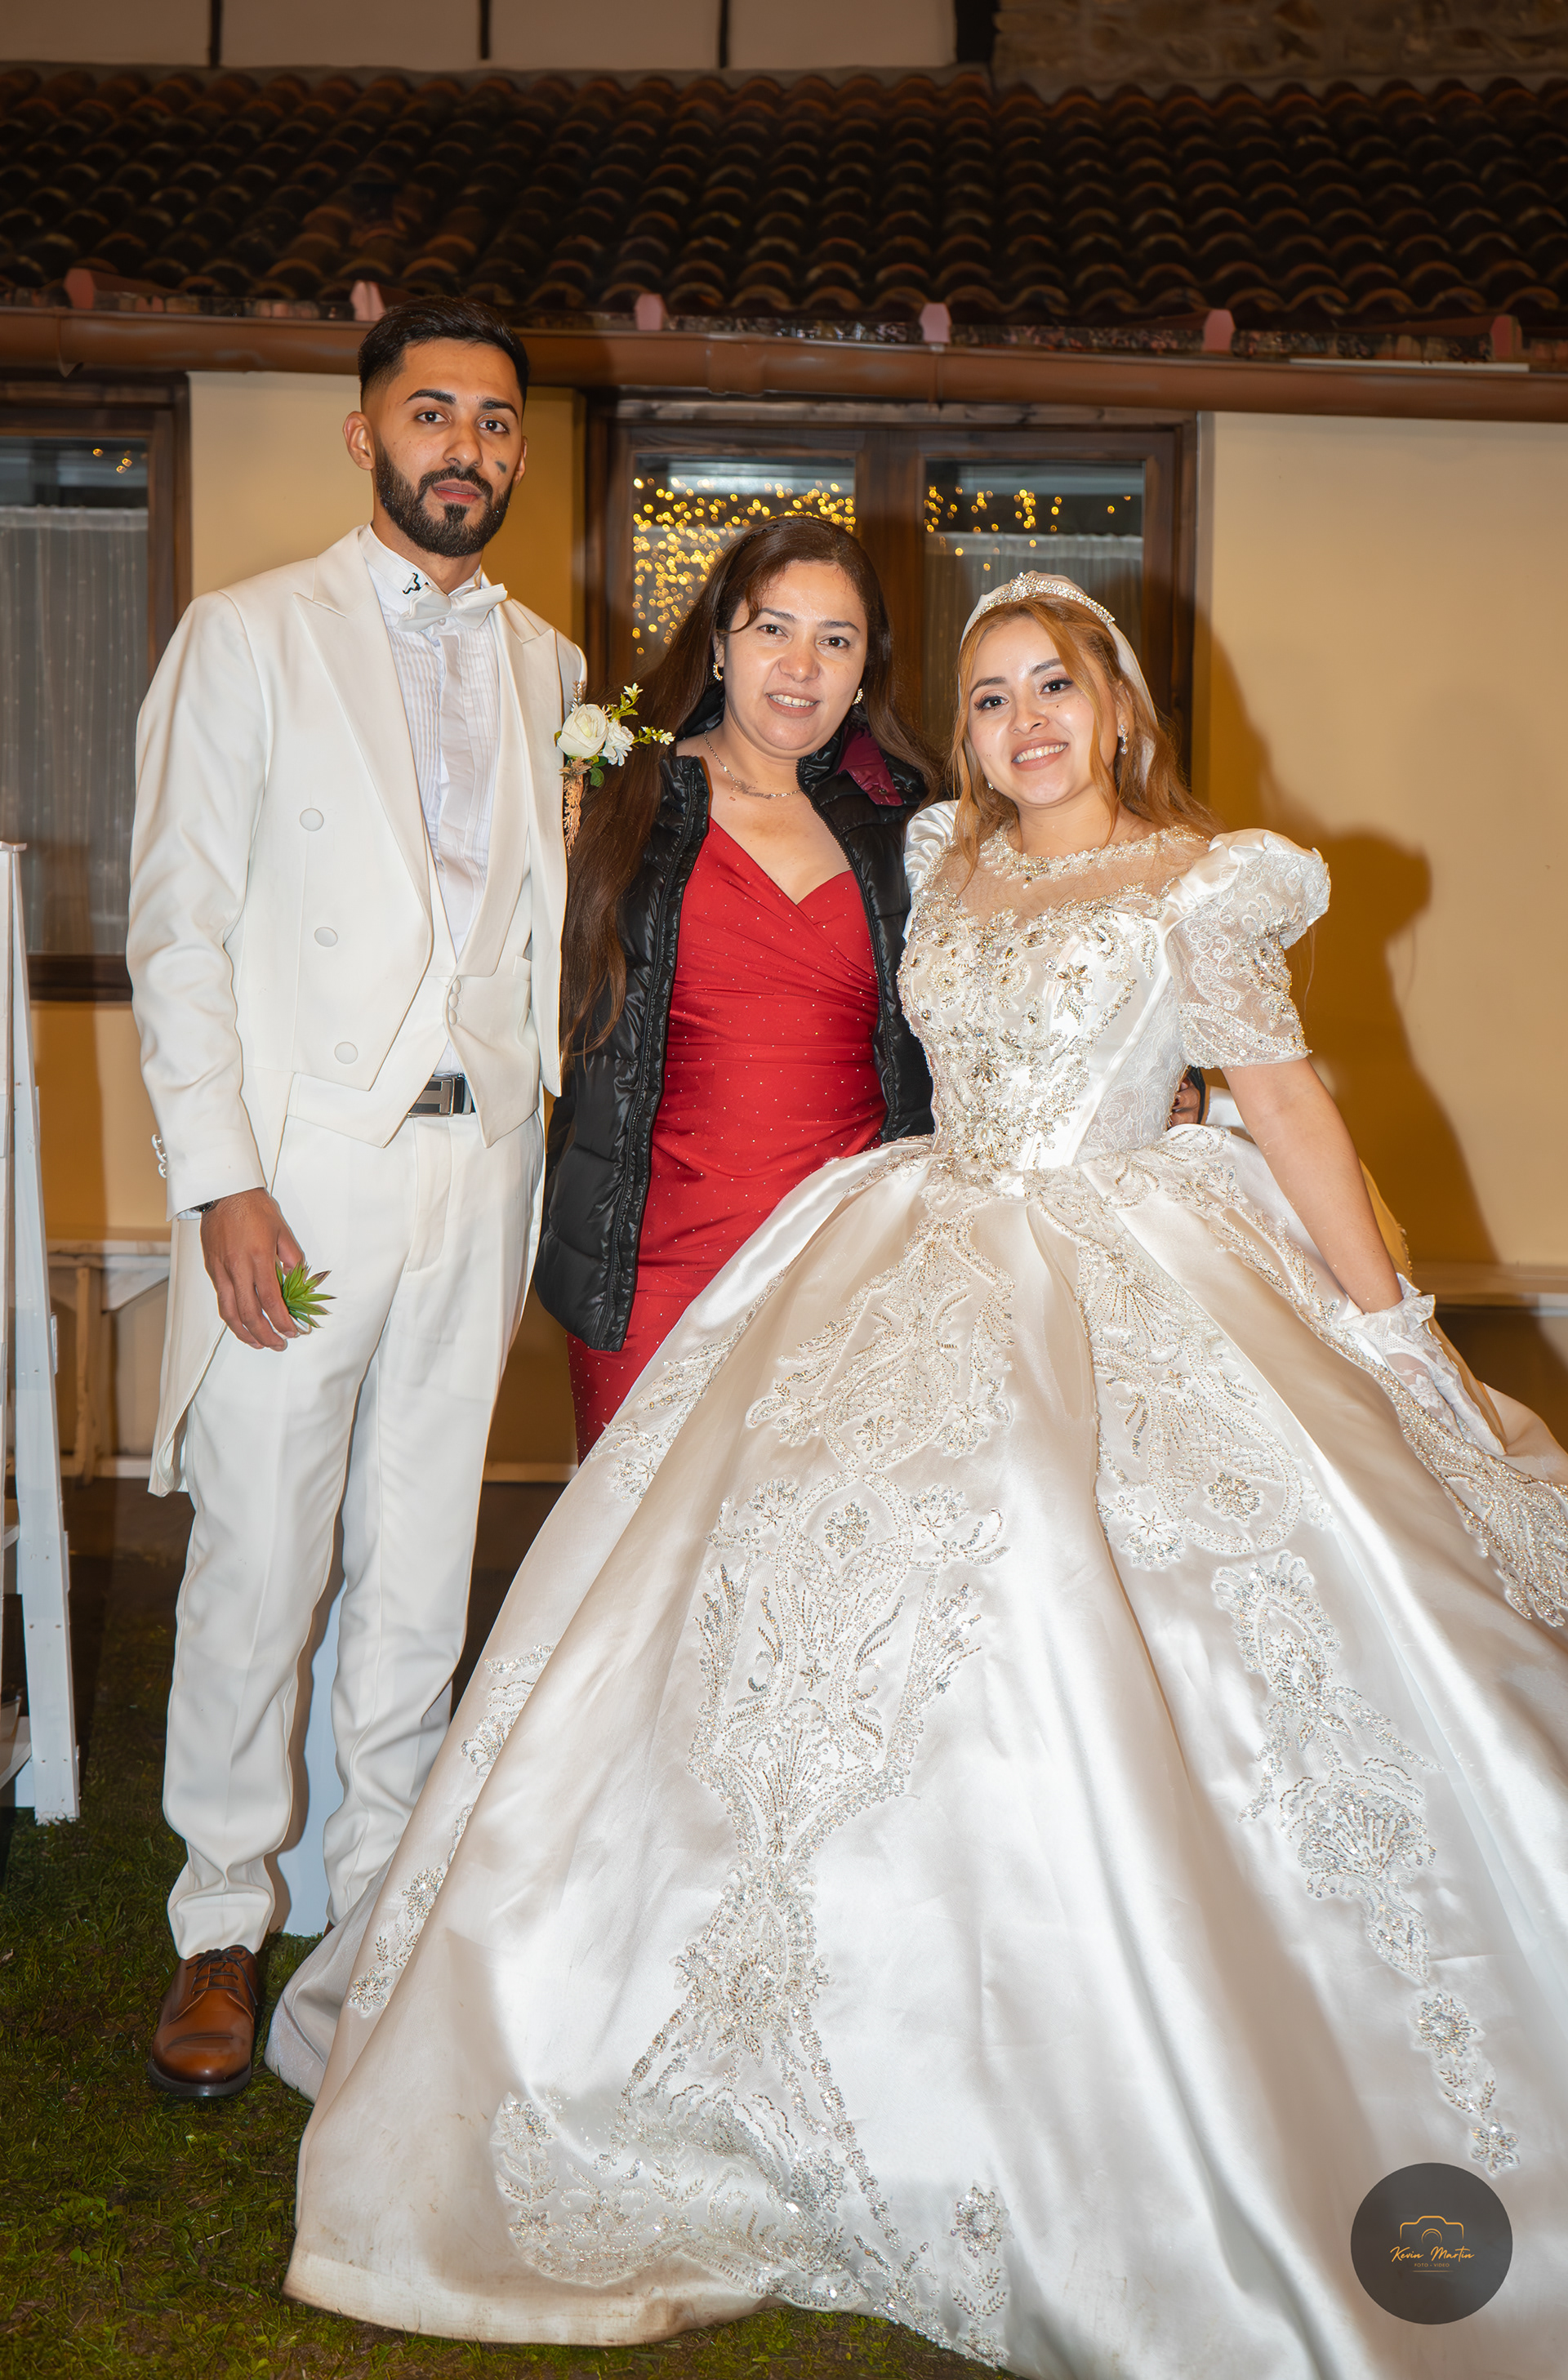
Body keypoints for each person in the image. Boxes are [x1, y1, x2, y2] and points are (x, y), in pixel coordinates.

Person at [283, 576, 1568, 2375]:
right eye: (987, 697)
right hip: (907, 1243)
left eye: (1056, 686)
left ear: (1117, 707)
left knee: (1078, 1595)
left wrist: (1392, 1328)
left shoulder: (1204, 884)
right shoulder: (940, 859)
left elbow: (1287, 1105)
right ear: (956, 734)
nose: (1024, 721)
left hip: (1127, 1269)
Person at [127, 296, 582, 2102]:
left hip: (483, 1171)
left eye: (494, 420)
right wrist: (221, 1181)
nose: (465, 445)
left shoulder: (552, 668)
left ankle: (380, 1902)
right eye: (432, 412)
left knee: (420, 1548)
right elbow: (178, 932)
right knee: (260, 1544)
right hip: (304, 1183)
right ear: (365, 433)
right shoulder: (247, 636)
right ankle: (221, 1914)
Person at [532, 516, 937, 1453]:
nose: (801, 667)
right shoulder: (613, 798)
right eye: (772, 629)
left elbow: (1005, 994)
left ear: (866, 669)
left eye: (835, 640)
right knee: (635, 1539)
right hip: (651, 1268)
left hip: (849, 1273)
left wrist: (1166, 1076)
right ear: (719, 644)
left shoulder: (911, 823)